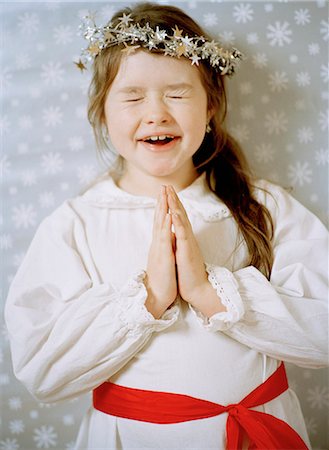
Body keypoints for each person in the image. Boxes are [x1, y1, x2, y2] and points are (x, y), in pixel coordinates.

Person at [5, 2, 328, 449]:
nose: (155, 113)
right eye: (133, 96)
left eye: (177, 93)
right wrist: (150, 299)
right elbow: (44, 372)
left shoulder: (265, 206)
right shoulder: (75, 224)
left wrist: (207, 292)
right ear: (102, 113)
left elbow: (322, 332)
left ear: (211, 107)